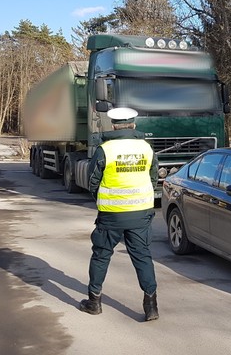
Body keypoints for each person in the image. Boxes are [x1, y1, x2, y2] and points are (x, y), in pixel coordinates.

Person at [79, 107, 160, 321]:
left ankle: (94, 301)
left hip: (111, 215)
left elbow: (92, 181)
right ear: (133, 124)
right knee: (142, 257)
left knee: (101, 256)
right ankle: (151, 306)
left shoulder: (105, 149)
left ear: (113, 125)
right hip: (140, 214)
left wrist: (103, 200)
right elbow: (153, 179)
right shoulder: (146, 148)